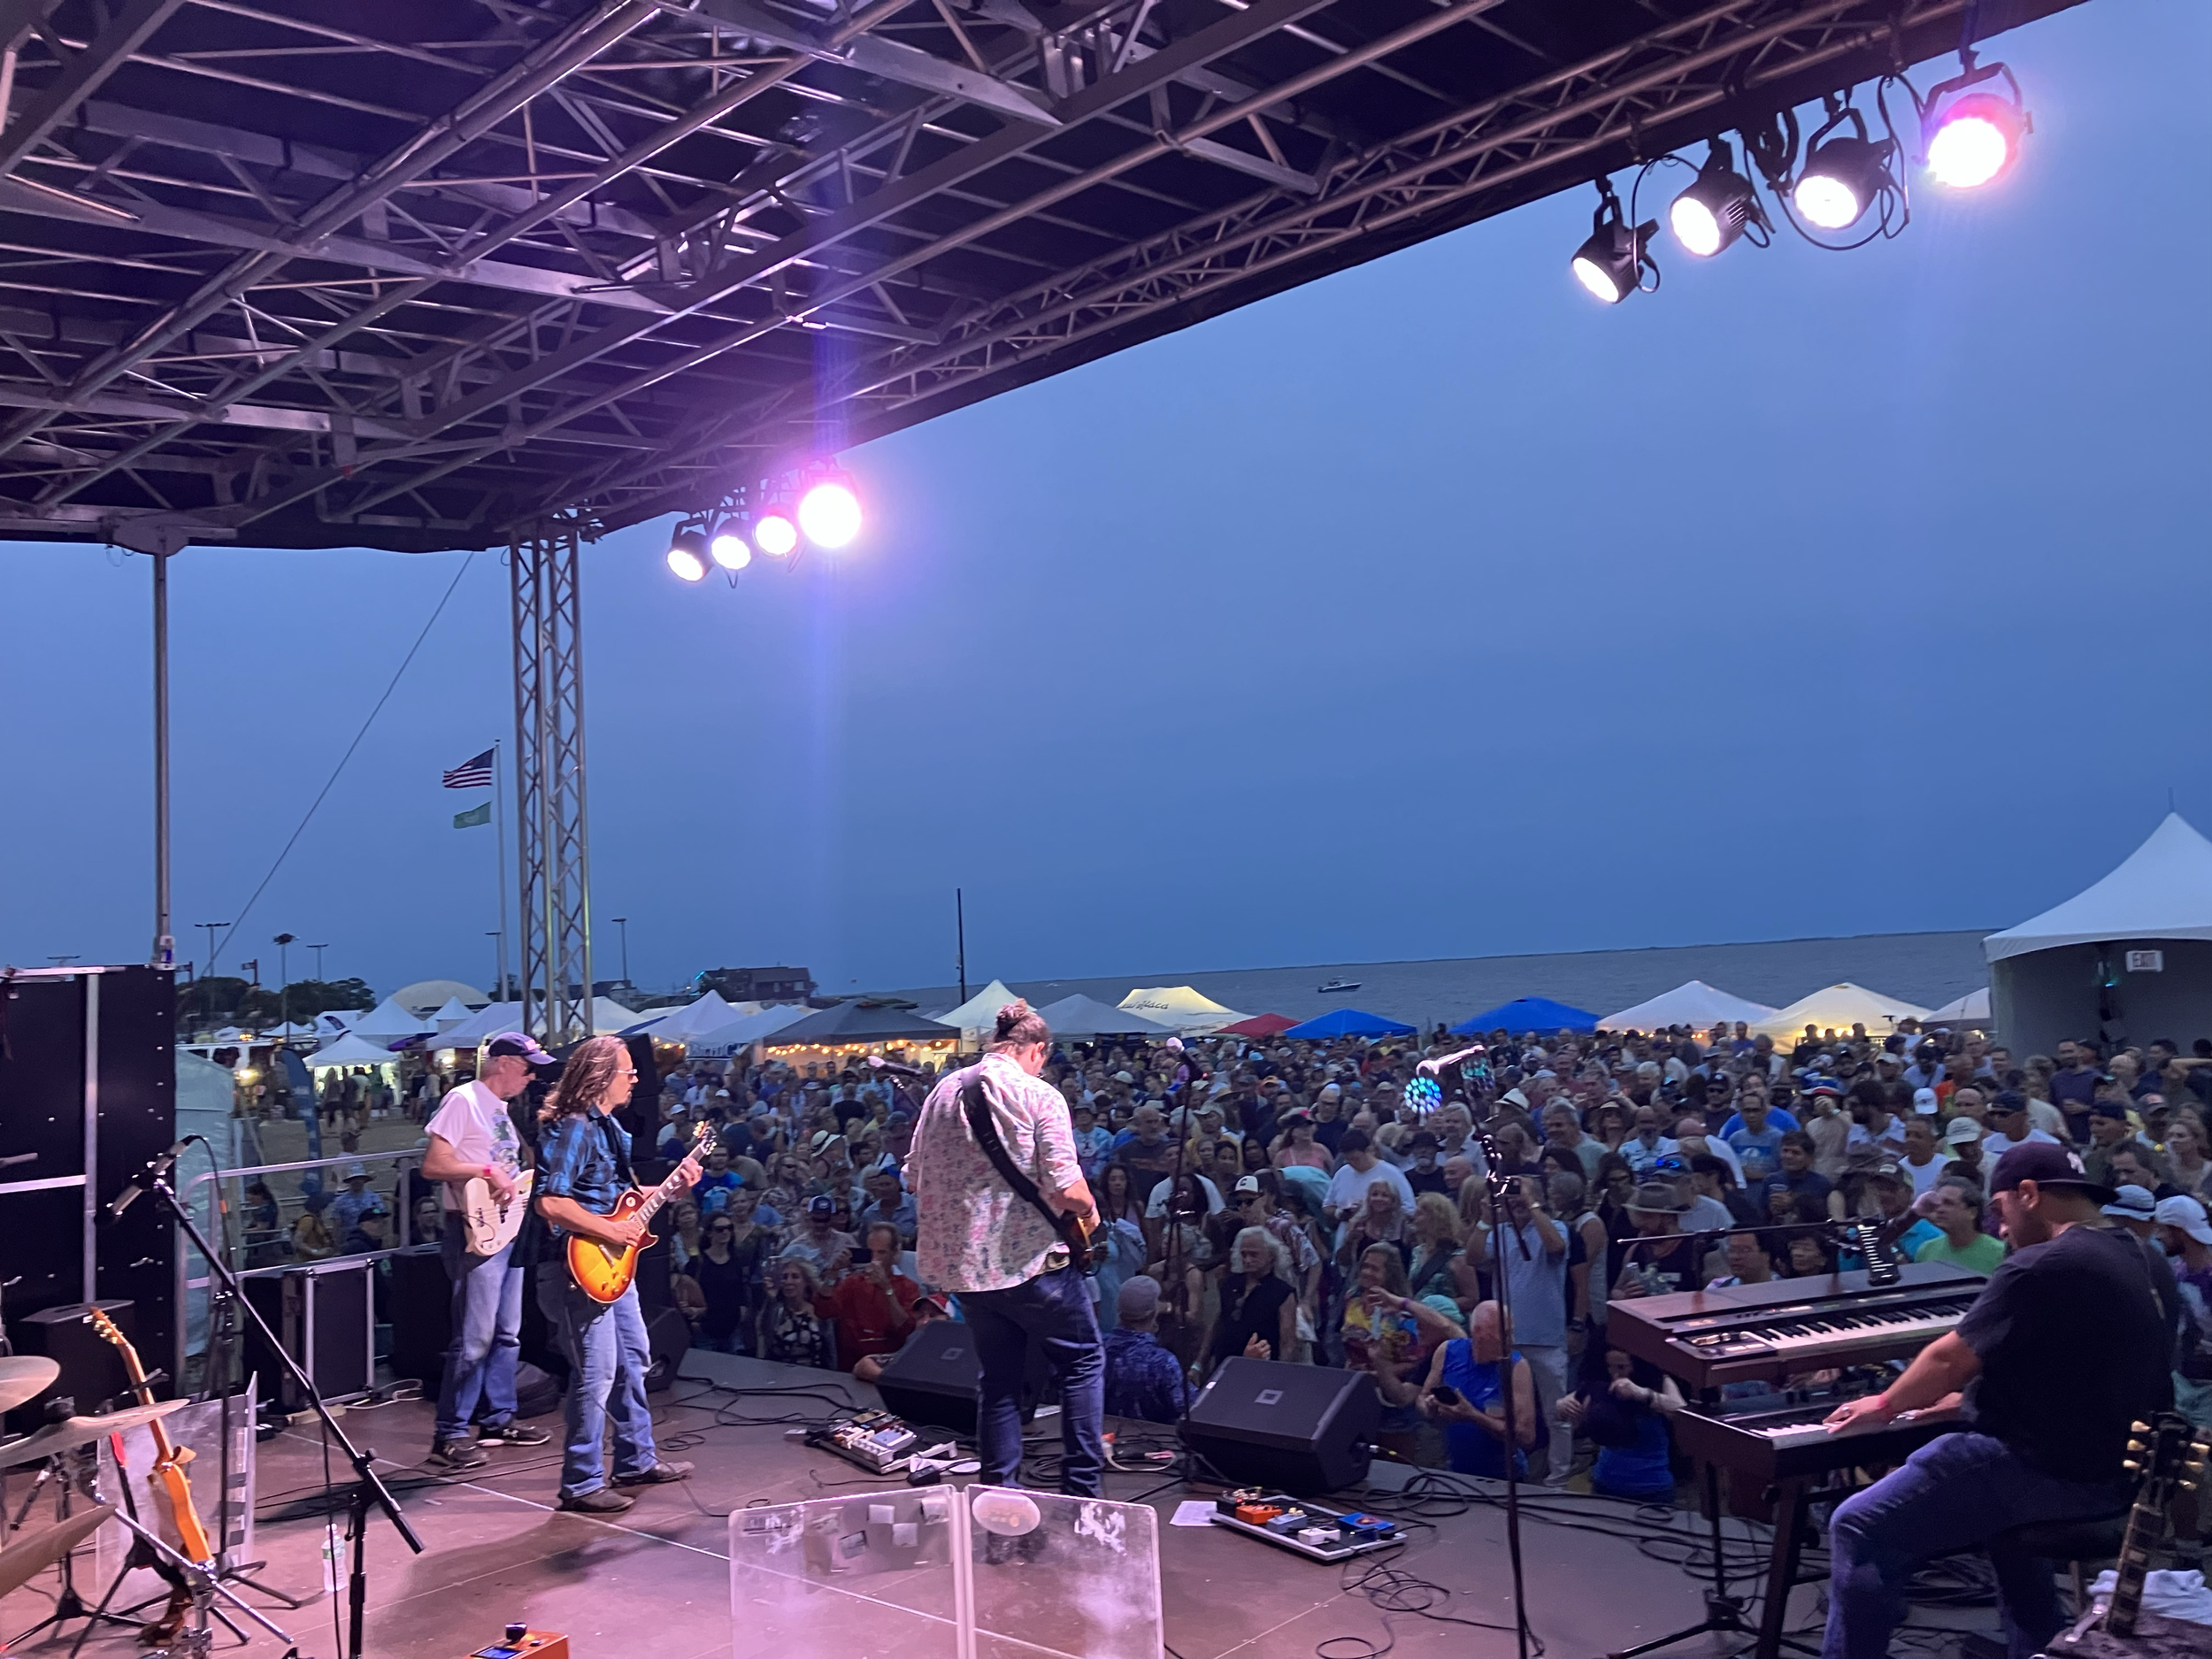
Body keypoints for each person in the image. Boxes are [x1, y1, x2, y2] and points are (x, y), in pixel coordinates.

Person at [1820, 1143, 2180, 1659]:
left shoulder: (2043, 1264)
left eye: (2001, 1210)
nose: (2002, 1228)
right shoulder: (2145, 1256)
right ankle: (2035, 1647)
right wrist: (1961, 1404)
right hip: (2124, 1472)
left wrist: (1883, 1405)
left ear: (2028, 1195)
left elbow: (1949, 1359)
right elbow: (2086, 1367)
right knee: (2000, 1522)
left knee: (1858, 1524)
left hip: (2058, 1473)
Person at [910, 1000, 1104, 1497]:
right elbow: (1067, 1187)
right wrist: (1090, 1212)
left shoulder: (942, 1092)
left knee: (998, 1379)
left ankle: (997, 1495)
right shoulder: (1040, 1095)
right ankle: (1082, 1494)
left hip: (967, 1271)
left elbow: (912, 1176)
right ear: (1036, 1050)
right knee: (1082, 1362)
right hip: (1031, 1264)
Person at [535, 1034, 703, 1514]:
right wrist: (612, 1229)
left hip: (609, 1262)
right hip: (577, 1267)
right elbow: (551, 1201)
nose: (634, 1079)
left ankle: (635, 1459)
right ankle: (581, 1482)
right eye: (628, 1071)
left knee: (633, 1359)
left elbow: (614, 1199)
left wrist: (669, 1188)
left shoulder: (608, 1128)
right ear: (600, 1076)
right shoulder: (574, 1128)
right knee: (596, 1372)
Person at [419, 1032, 557, 1468]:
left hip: (508, 1229)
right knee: (475, 1336)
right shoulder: (464, 1100)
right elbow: (433, 1164)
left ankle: (499, 1417)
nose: (533, 1074)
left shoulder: (501, 1110)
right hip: (473, 1231)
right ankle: (450, 1433)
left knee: (506, 1332)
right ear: (501, 1062)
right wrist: (486, 1169)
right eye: (527, 1065)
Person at [1417, 1301, 1536, 1479]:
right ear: (1479, 1333)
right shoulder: (1448, 1351)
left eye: (1511, 1333)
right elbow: (1422, 1397)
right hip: (1456, 1472)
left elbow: (1526, 1437)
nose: (1512, 1341)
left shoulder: (1516, 1367)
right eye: (1504, 1334)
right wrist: (1430, 1406)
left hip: (1504, 1476)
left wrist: (1473, 1416)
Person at [1558, 1345, 1683, 1501]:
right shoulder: (1605, 1385)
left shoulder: (1659, 1381)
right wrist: (1563, 1405)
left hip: (1652, 1489)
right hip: (1604, 1484)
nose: (1615, 1373)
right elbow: (1569, 1404)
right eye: (1610, 1367)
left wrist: (1642, 1394)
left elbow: (1680, 1410)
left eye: (1622, 1367)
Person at [822, 1220, 920, 1370]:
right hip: (851, 1365)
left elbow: (906, 1329)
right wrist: (832, 1274)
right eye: (870, 1252)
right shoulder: (852, 1283)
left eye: (881, 1252)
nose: (875, 1259)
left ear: (894, 1253)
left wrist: (886, 1288)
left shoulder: (908, 1287)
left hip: (890, 1365)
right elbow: (823, 1310)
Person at [683, 1195, 771, 1353]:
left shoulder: (735, 1260)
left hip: (733, 1330)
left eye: (729, 1228)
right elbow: (684, 1291)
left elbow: (740, 1290)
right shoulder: (698, 1262)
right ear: (709, 1233)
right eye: (720, 1229)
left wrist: (743, 1311)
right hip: (705, 1330)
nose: (725, 1232)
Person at [1102, 1276, 1194, 1423]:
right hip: (1155, 1441)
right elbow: (1192, 1408)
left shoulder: (1098, 1348)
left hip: (1104, 1438)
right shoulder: (1162, 1362)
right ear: (1154, 1314)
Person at [852, 1292, 950, 1385]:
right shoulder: (912, 1352)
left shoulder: (959, 1355)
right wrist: (891, 1380)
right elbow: (863, 1365)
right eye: (920, 1316)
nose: (925, 1321)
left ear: (950, 1319)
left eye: (933, 1316)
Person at [757, 1256, 836, 1368]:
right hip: (778, 1376)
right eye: (784, 1277)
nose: (789, 1282)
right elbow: (764, 1332)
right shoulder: (776, 1311)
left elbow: (830, 1352)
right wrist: (771, 1298)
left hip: (815, 1377)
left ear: (806, 1281)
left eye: (795, 1277)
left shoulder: (819, 1312)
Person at [1910, 1179, 2005, 1274]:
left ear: (1972, 1212)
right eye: (1938, 1204)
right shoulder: (1926, 1250)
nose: (1939, 1209)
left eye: (1948, 1203)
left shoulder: (2000, 1253)